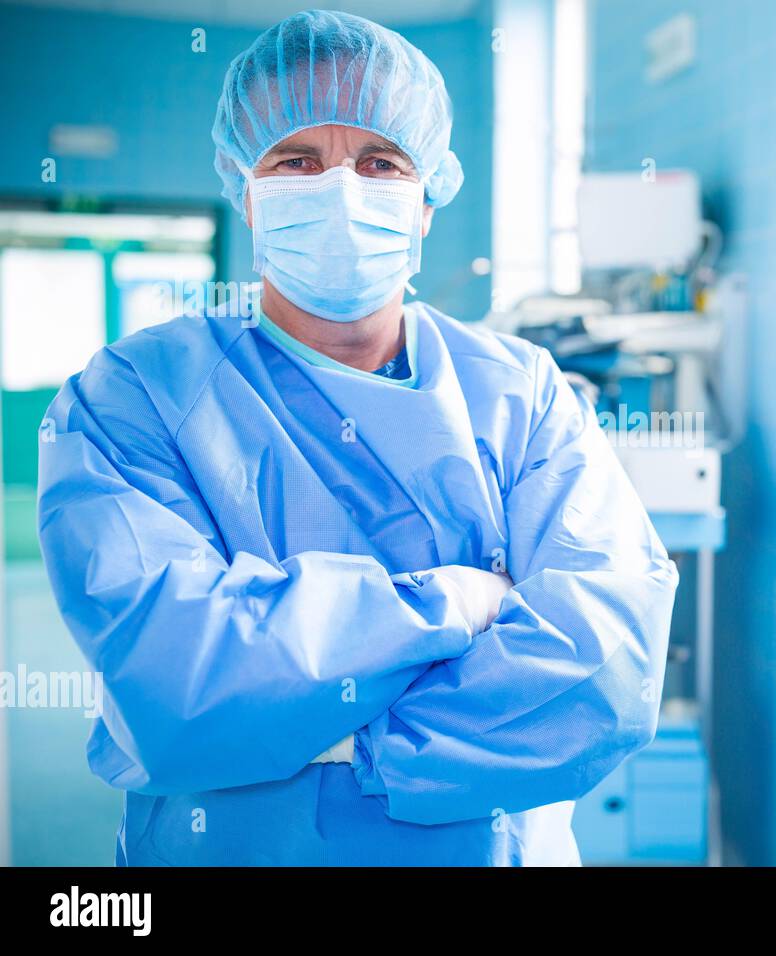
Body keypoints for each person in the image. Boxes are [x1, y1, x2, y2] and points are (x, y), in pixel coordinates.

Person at [36, 9, 677, 866]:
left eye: (381, 162)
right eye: (297, 161)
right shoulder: (135, 397)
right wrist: (463, 602)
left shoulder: (520, 393)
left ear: (425, 202)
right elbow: (174, 677)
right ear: (249, 191)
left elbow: (603, 674)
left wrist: (323, 740)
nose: (341, 188)